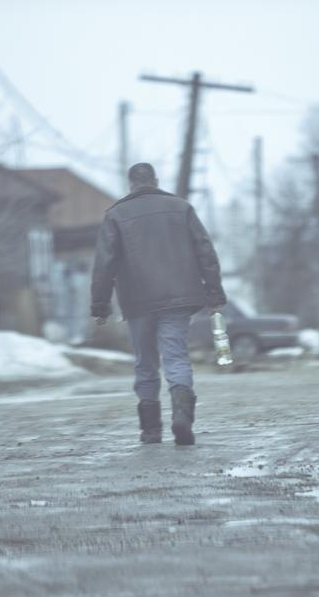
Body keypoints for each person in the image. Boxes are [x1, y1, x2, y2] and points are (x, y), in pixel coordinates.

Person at [91, 162, 226, 445]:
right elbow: (205, 251)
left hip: (137, 301)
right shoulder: (181, 208)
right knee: (175, 356)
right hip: (178, 299)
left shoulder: (116, 214)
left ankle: (151, 429)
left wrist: (100, 305)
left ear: (131, 184)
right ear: (155, 180)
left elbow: (105, 264)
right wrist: (214, 294)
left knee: (145, 362)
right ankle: (182, 418)